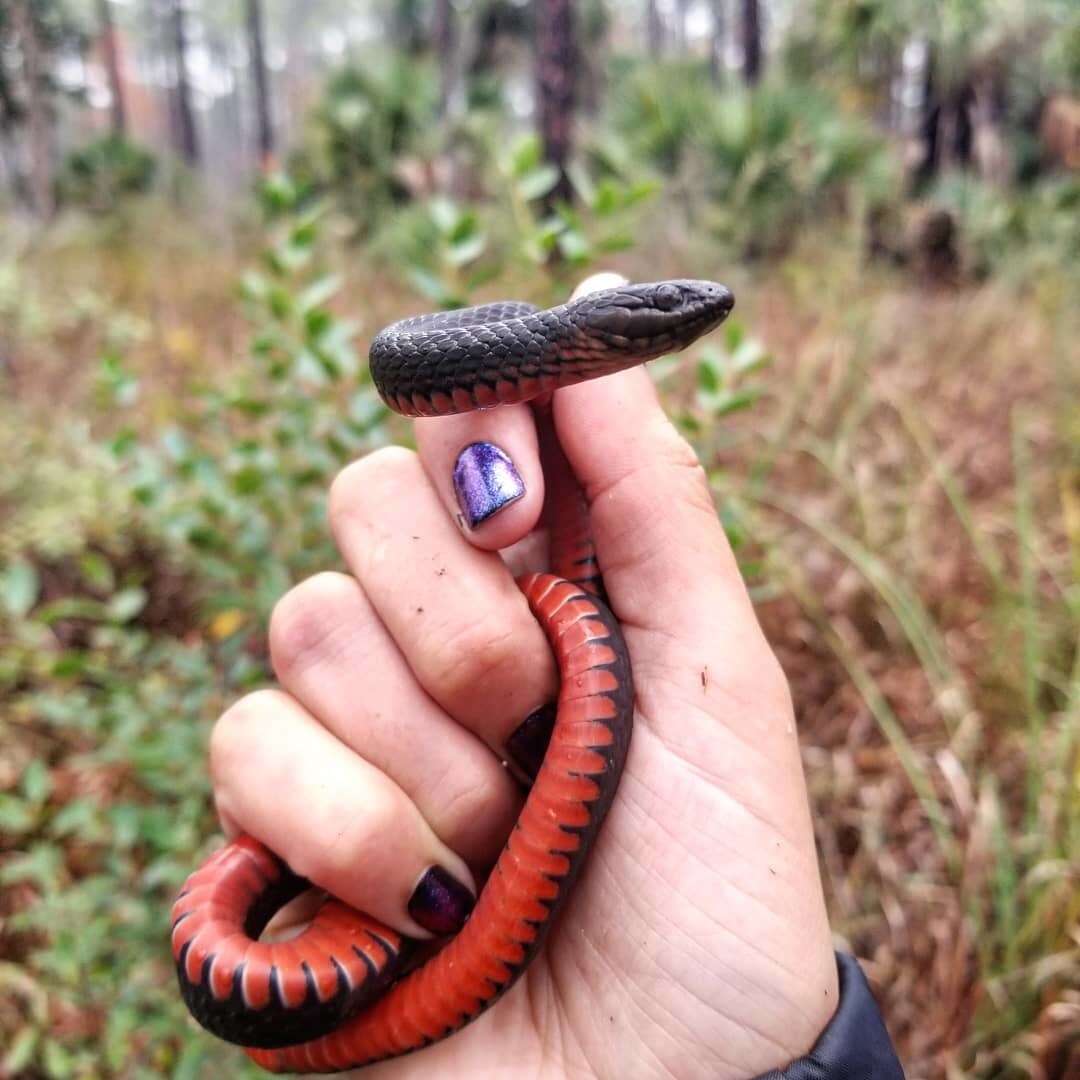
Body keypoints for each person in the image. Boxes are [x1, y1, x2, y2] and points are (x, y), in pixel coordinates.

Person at [208, 275, 904, 1077]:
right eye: (660, 313)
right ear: (591, 335)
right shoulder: (503, 358)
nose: (685, 316)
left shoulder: (571, 377)